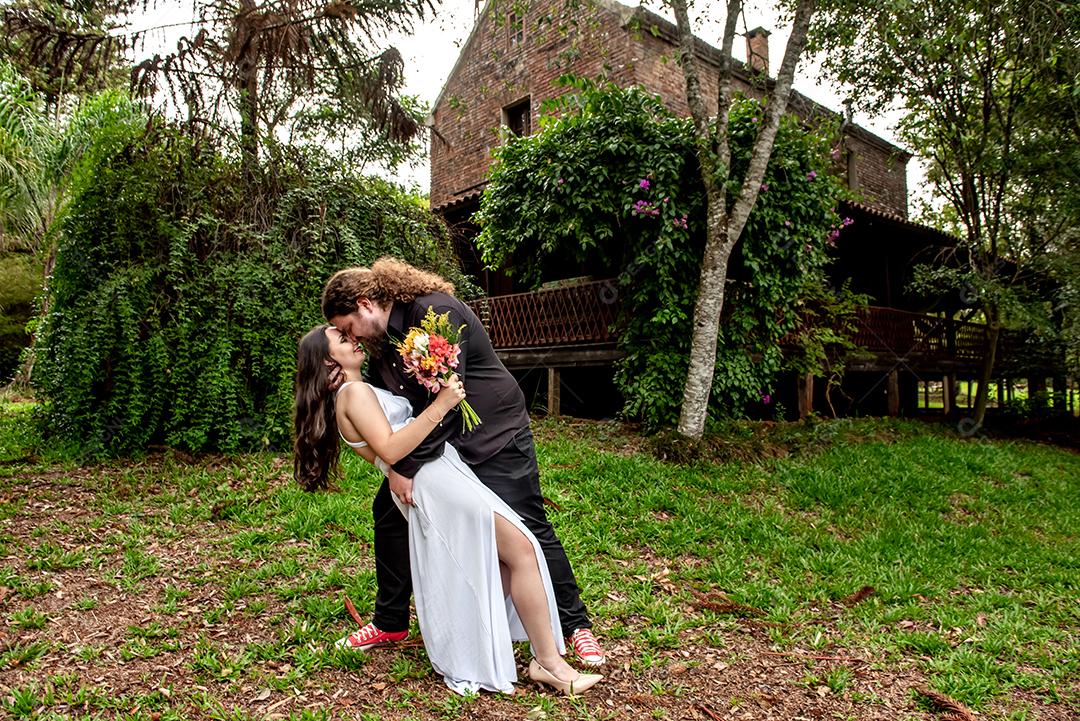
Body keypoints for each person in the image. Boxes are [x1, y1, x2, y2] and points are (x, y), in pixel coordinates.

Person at [320, 258, 606, 667]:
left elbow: (453, 402)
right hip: (442, 450)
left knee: (529, 524)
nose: (352, 338)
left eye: (348, 328)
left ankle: (576, 625)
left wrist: (405, 467)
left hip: (493, 436)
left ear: (365, 304)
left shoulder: (435, 312)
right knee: (388, 512)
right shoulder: (381, 346)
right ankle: (390, 621)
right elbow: (396, 411)